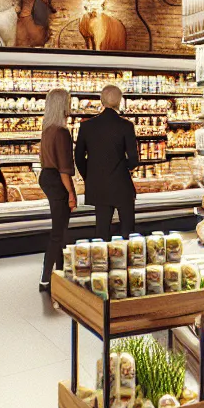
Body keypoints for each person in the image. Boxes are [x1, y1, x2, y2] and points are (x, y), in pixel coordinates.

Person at [73, 83, 138, 241]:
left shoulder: (87, 126)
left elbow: (78, 156)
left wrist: (89, 175)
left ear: (101, 101)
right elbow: (134, 159)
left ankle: (101, 262)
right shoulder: (126, 126)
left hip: (99, 185)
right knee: (128, 231)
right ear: (120, 102)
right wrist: (125, 168)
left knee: (101, 230)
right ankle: (128, 262)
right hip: (122, 185)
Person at [36, 86, 76, 291]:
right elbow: (64, 169)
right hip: (58, 180)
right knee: (58, 232)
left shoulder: (47, 129)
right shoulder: (61, 132)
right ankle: (46, 279)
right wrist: (71, 193)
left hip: (46, 177)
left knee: (60, 230)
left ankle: (59, 274)